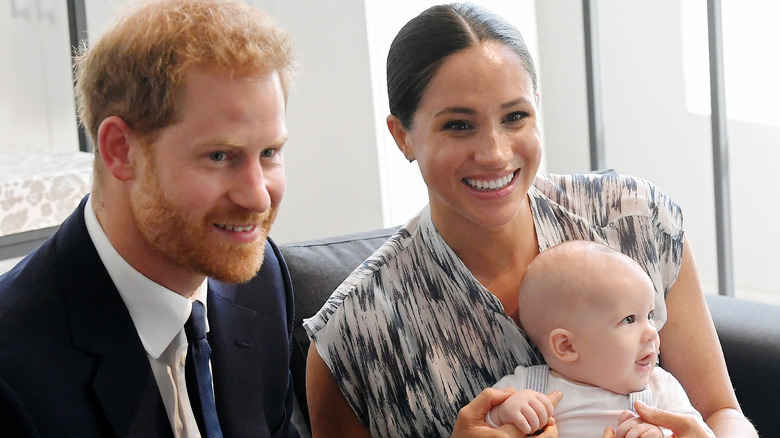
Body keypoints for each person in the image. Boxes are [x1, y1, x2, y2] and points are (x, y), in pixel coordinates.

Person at [303, 3, 757, 438]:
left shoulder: (634, 219)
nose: (496, 153)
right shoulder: (353, 335)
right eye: (459, 125)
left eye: (515, 116)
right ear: (403, 136)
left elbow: (721, 411)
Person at [0, 0, 299, 437]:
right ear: (120, 150)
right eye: (219, 156)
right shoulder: (12, 373)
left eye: (269, 152)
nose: (257, 197)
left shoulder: (261, 280)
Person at [485, 240, 714, 438]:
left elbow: (695, 432)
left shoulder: (660, 389)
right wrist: (501, 414)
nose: (652, 332)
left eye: (650, 316)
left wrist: (662, 433)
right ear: (566, 346)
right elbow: (478, 428)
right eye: (629, 319)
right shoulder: (525, 389)